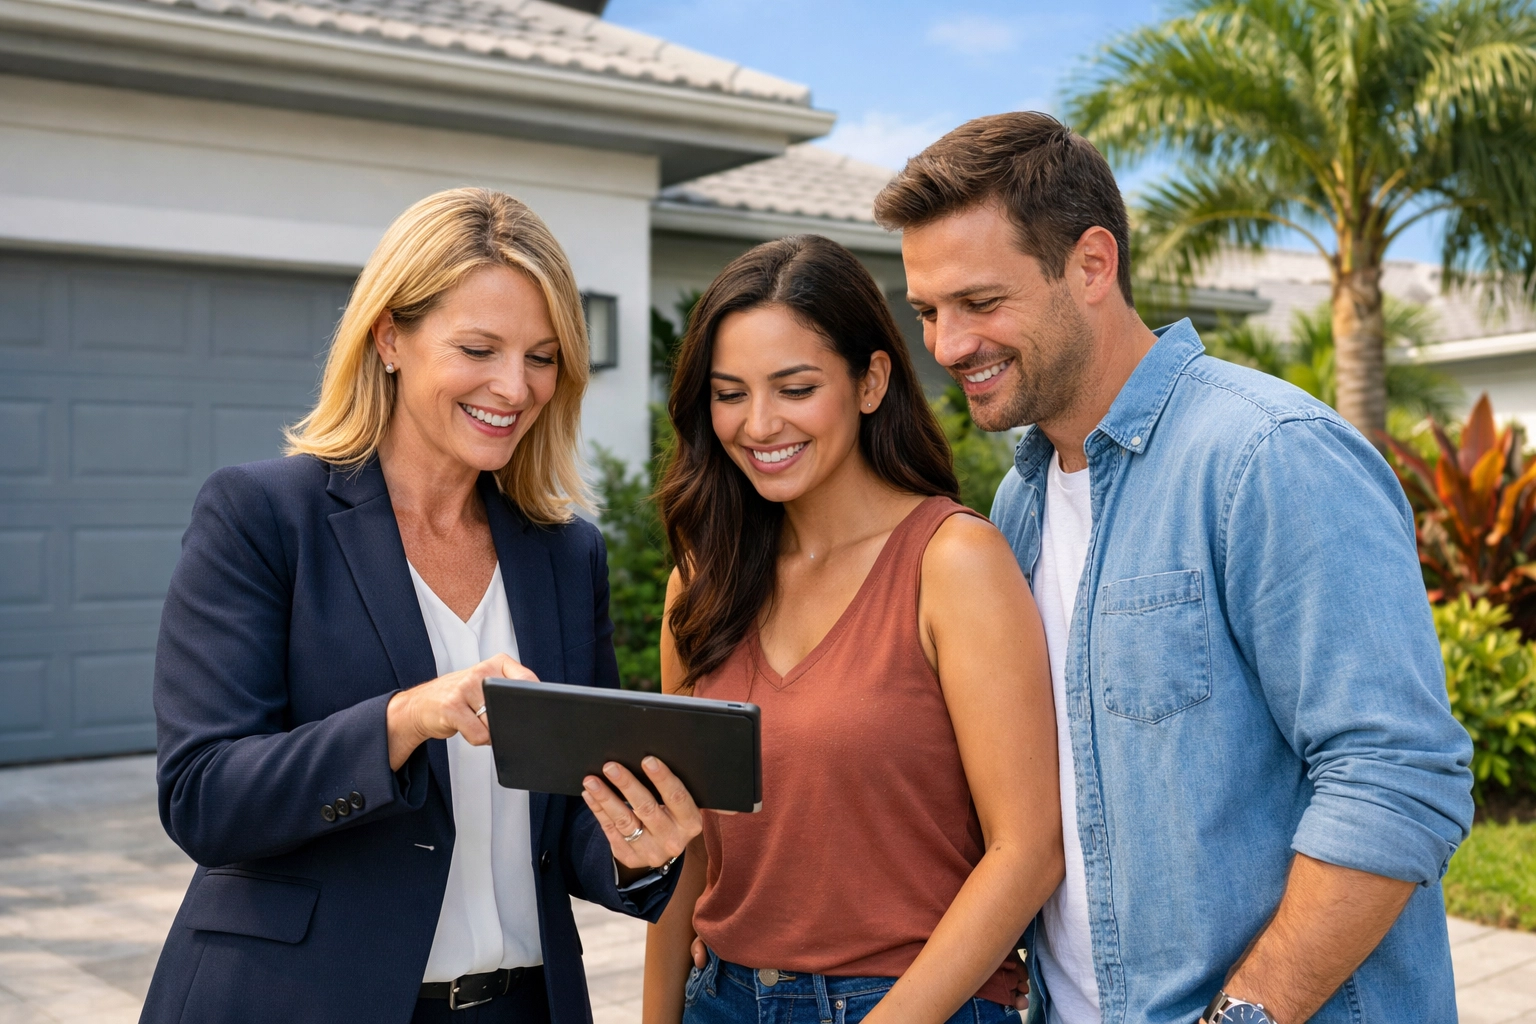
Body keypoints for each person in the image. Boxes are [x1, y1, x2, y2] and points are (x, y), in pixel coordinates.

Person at [874, 112, 1477, 1024]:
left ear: (1091, 265)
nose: (949, 346)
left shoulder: (1266, 457)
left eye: (980, 302)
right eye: (928, 312)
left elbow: (1396, 778)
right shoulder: (1019, 507)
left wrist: (1240, 1016)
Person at [141, 187, 703, 1024]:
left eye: (543, 357)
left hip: (521, 1007)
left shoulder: (564, 551)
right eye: (479, 348)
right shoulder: (263, 517)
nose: (514, 387)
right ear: (390, 337)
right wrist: (407, 718)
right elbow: (204, 798)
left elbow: (567, 823)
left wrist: (637, 848)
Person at [641, 234, 1064, 1024]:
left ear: (870, 381)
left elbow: (1028, 851)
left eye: (795, 388)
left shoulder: (954, 561)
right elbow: (692, 851)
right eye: (729, 394)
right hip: (721, 999)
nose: (759, 424)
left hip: (915, 1004)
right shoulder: (699, 586)